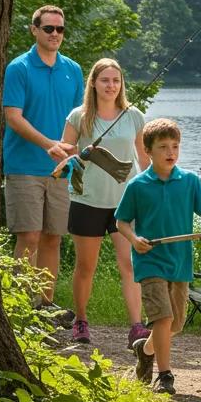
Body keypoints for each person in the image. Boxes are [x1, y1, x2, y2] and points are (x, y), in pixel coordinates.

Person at [115, 118, 201, 395]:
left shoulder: (189, 181)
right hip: (150, 261)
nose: (170, 152)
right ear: (148, 151)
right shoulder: (138, 185)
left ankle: (145, 349)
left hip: (179, 261)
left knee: (175, 324)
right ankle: (165, 375)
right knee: (162, 319)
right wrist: (134, 240)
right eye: (162, 146)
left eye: (175, 146)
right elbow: (122, 222)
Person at [2, 5, 84, 321]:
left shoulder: (73, 70)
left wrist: (75, 151)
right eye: (48, 28)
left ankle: (44, 307)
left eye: (59, 29)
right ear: (34, 29)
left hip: (63, 169)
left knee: (53, 236)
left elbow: (79, 119)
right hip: (24, 165)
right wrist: (49, 144)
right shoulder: (19, 68)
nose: (54, 34)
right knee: (30, 235)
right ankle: (21, 306)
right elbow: (13, 117)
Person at [61, 58, 149, 348]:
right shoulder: (79, 116)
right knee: (86, 266)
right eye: (105, 80)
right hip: (88, 201)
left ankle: (137, 326)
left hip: (125, 203)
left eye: (116, 80)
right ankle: (81, 321)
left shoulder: (134, 115)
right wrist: (75, 155)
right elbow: (64, 156)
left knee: (130, 264)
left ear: (122, 83)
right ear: (94, 83)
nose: (111, 86)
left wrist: (153, 191)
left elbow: (145, 159)